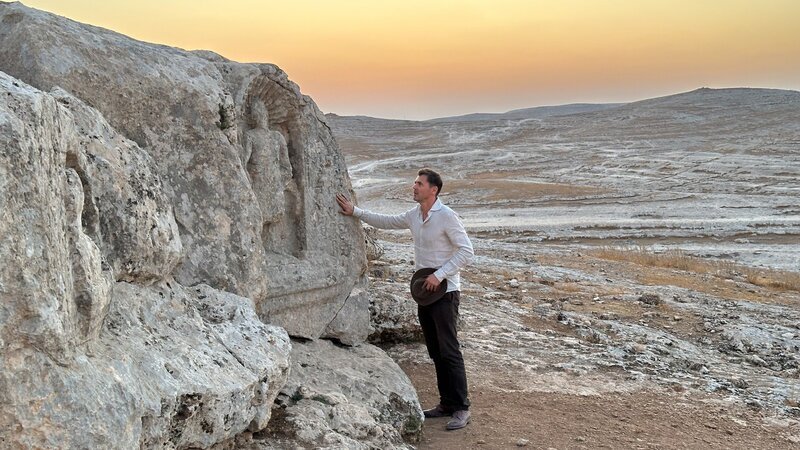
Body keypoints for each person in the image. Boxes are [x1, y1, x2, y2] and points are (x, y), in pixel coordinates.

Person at [336, 168, 474, 431]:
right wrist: (355, 211)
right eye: (414, 182)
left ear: (433, 189)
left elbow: (467, 251)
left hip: (445, 293)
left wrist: (440, 274)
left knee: (450, 350)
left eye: (419, 183)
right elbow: (386, 221)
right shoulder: (414, 215)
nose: (414, 187)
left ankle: (461, 407)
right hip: (425, 293)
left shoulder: (446, 217)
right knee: (435, 350)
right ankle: (446, 403)